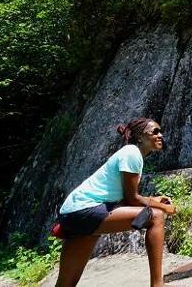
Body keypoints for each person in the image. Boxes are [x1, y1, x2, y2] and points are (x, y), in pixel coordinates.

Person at [55, 117, 176, 287]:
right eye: (155, 131)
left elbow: (126, 197)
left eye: (160, 131)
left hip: (72, 214)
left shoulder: (130, 154)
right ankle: (158, 284)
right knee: (155, 216)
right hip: (86, 211)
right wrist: (163, 206)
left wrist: (153, 200)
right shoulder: (132, 154)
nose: (160, 135)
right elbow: (132, 199)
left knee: (65, 284)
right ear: (140, 136)